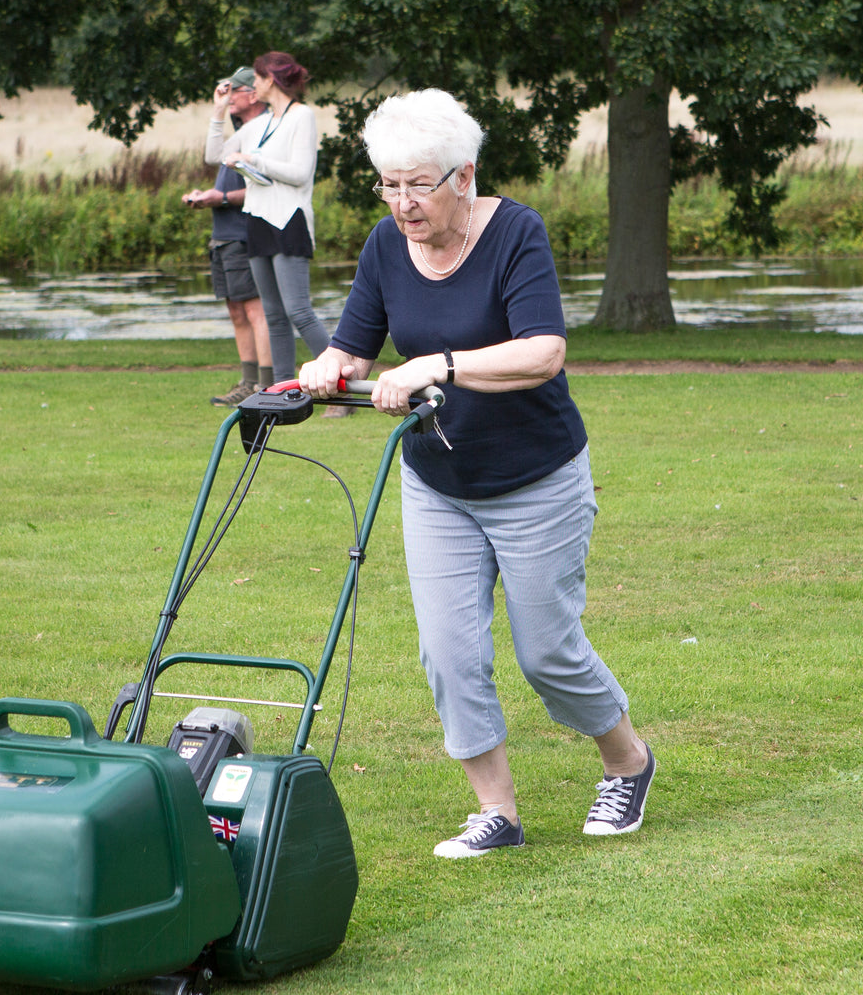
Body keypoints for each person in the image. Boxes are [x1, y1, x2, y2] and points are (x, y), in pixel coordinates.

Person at [297, 89, 655, 858]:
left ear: (463, 176)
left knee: (547, 651)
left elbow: (544, 351)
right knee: (449, 651)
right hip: (438, 481)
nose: (401, 203)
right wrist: (327, 368)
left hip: (537, 478)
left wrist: (440, 364)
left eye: (416, 185)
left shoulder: (515, 233)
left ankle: (627, 759)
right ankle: (498, 810)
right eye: (389, 185)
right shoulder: (385, 245)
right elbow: (355, 345)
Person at [209, 51, 333, 394]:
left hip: (289, 220)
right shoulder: (258, 125)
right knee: (275, 316)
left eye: (259, 78)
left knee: (299, 311)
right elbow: (213, 155)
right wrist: (218, 113)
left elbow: (300, 173)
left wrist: (254, 160)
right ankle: (281, 394)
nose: (254, 85)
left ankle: (342, 386)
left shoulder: (302, 116)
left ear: (272, 80)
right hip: (258, 221)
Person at [183, 67, 273, 406]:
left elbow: (268, 188)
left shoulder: (266, 128)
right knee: (236, 310)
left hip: (246, 232)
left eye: (233, 90)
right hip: (223, 233)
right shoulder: (239, 130)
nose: (227, 95)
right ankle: (247, 382)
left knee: (255, 310)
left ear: (254, 94)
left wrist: (218, 198)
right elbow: (213, 155)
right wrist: (218, 110)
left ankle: (264, 386)